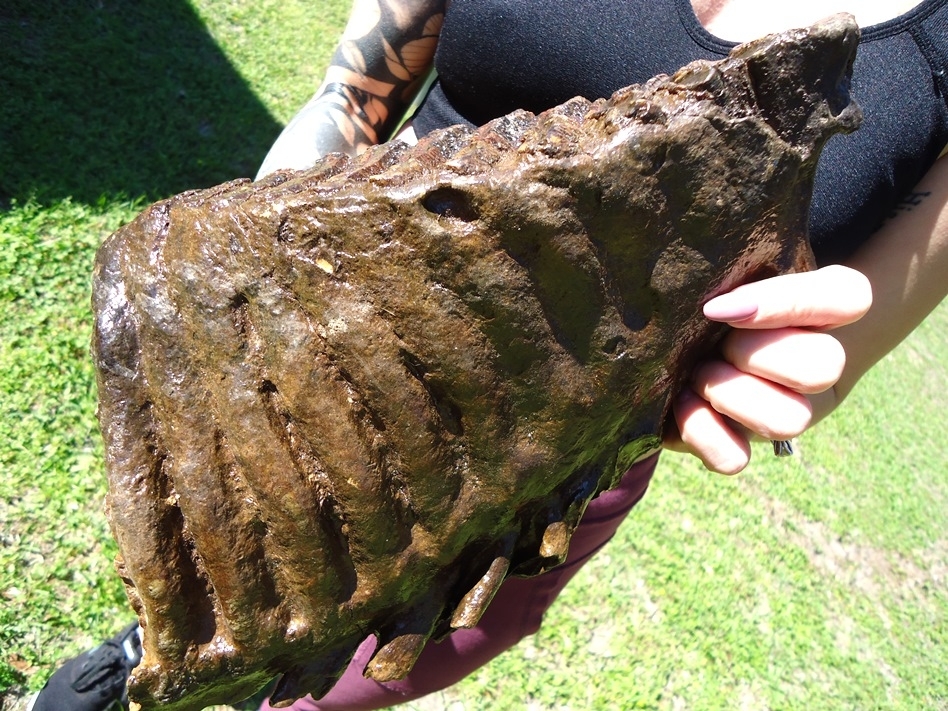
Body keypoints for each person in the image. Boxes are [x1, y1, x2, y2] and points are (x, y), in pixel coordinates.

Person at [31, 0, 947, 709]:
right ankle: (137, 658)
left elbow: (839, 346)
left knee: (339, 673)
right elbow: (355, 95)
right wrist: (253, 301)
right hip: (314, 333)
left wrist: (772, 373)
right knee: (207, 579)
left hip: (545, 469)